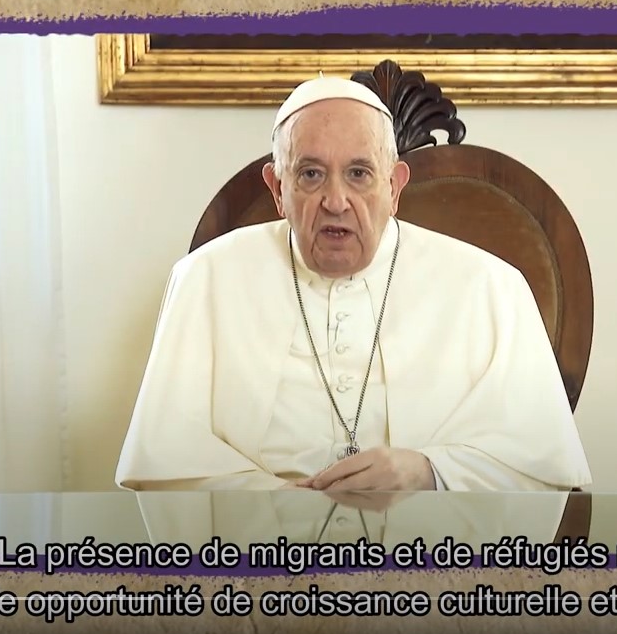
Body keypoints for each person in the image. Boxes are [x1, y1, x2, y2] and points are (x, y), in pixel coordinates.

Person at [115, 76, 592, 492]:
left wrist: (428, 472)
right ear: (278, 189)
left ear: (394, 187)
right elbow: (163, 460)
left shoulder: (490, 288)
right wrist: (272, 500)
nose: (336, 201)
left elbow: (540, 463)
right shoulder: (206, 279)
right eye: (311, 174)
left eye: (359, 174)